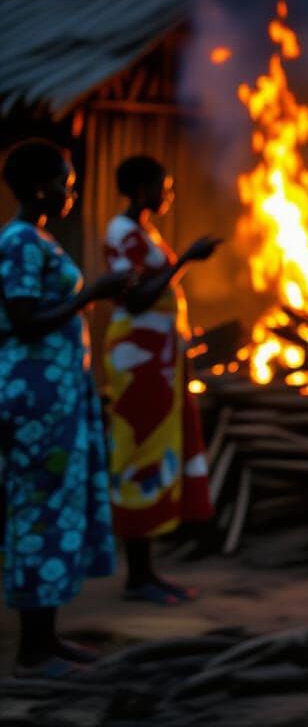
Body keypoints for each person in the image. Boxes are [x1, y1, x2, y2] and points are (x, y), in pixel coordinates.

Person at [0, 139, 129, 676]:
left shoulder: (40, 239)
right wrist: (91, 294)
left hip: (56, 396)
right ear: (38, 187)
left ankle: (47, 638)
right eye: (64, 184)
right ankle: (32, 652)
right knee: (38, 510)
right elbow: (24, 319)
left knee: (55, 509)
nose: (70, 194)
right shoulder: (19, 243)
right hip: (34, 401)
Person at [103, 155, 220, 605]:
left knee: (157, 453)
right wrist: (185, 259)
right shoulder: (122, 233)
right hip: (138, 360)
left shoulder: (143, 231)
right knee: (139, 453)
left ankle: (148, 572)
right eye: (162, 186)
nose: (167, 194)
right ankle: (137, 577)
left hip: (159, 360)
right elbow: (135, 299)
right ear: (141, 188)